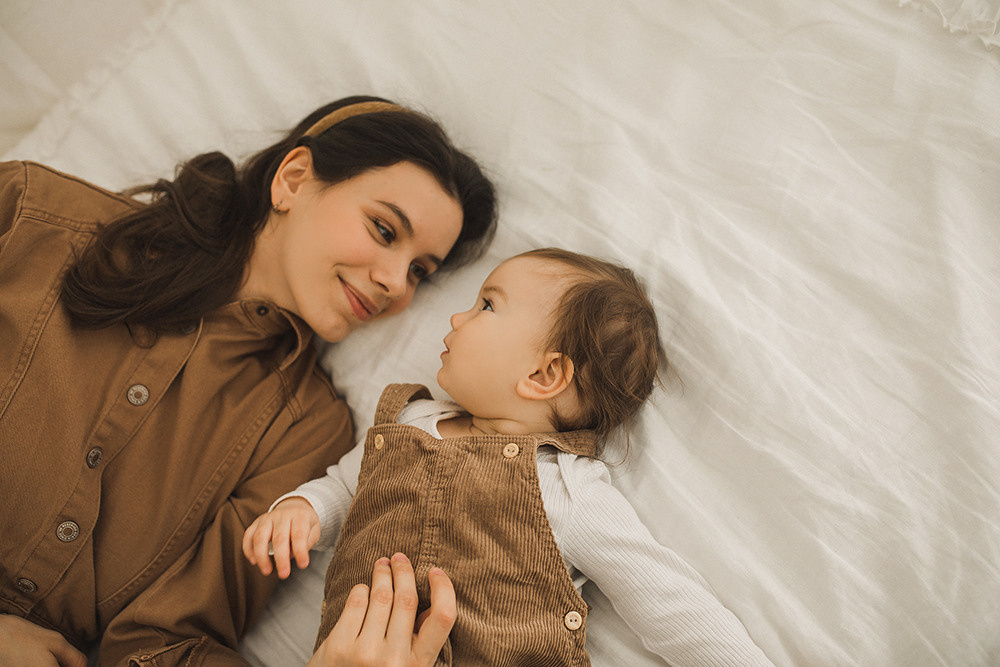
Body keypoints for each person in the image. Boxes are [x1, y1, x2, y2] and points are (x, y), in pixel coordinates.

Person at [0, 95, 497, 666]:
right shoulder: (29, 216)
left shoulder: (309, 434)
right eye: (384, 230)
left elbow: (164, 645)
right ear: (293, 180)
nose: (395, 284)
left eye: (419, 271)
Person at [243, 248, 774, 665]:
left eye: (487, 306)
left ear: (544, 375)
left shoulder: (565, 489)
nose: (458, 316)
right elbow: (348, 486)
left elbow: (667, 600)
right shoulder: (409, 420)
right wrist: (304, 510)